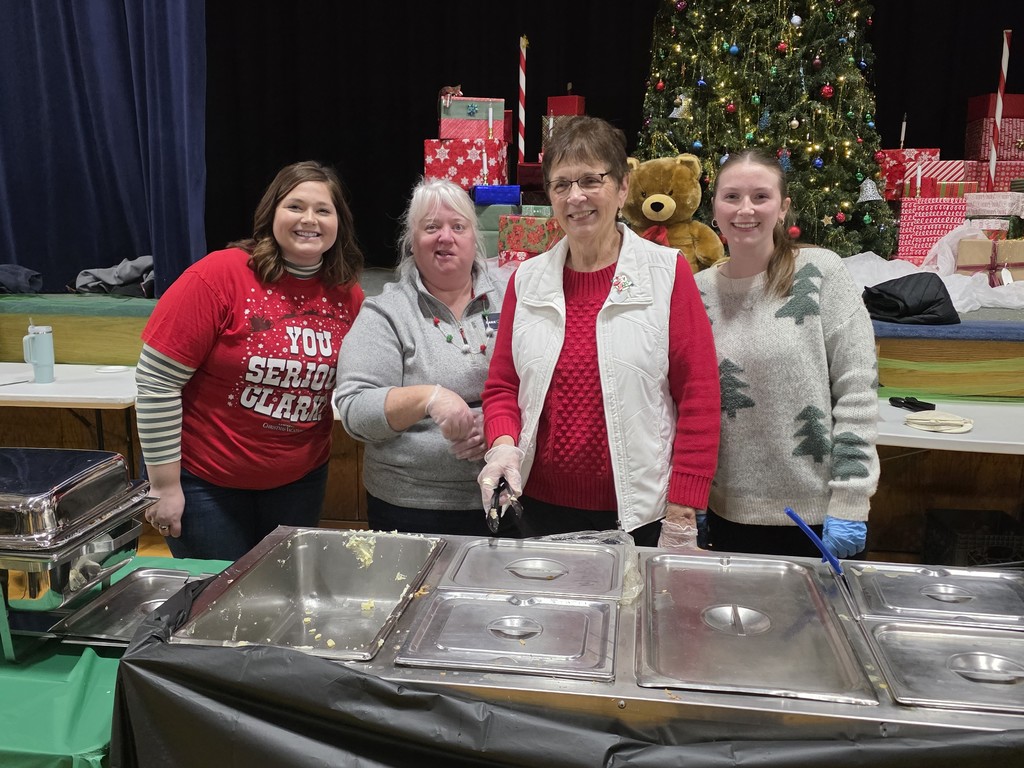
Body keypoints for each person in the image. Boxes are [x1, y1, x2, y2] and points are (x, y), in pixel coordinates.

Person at [478, 116, 721, 548]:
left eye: (592, 180)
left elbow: (698, 395)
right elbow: (502, 385)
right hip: (536, 506)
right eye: (561, 184)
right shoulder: (526, 280)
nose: (576, 197)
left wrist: (684, 507)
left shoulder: (666, 273)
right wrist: (502, 444)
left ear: (623, 187)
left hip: (639, 512)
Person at [135, 160, 365, 560]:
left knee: (285, 590)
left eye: (323, 210)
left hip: (299, 481)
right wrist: (164, 486)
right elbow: (157, 382)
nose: (309, 219)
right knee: (219, 595)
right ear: (271, 213)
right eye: (295, 206)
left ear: (339, 223)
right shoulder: (219, 275)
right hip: (205, 484)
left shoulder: (348, 295)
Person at [693, 149, 879, 559]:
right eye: (732, 196)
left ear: (782, 208)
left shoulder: (821, 271)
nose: (745, 209)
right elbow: (688, 403)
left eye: (760, 196)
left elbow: (857, 391)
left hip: (818, 516)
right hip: (727, 515)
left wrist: (851, 498)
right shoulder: (698, 289)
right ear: (715, 209)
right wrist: (693, 494)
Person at [334, 177, 507, 536]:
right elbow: (355, 411)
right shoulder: (386, 312)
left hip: (506, 494)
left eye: (458, 226)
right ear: (412, 242)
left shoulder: (512, 299)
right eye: (431, 227)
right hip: (409, 506)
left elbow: (543, 384)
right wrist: (429, 398)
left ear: (475, 238)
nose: (445, 236)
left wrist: (498, 425)